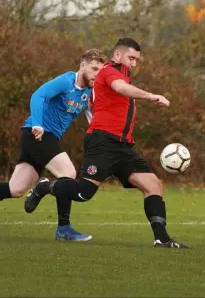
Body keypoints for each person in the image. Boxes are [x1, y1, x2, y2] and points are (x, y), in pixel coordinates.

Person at [24, 37, 189, 248]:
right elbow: (120, 88)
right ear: (117, 55)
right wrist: (151, 96)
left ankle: (162, 239)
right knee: (82, 193)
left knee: (153, 185)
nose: (134, 63)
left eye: (137, 59)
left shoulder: (120, 77)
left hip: (123, 145)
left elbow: (101, 102)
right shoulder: (110, 71)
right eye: (131, 58)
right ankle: (46, 187)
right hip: (103, 142)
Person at [0, 49, 108, 241]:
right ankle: (63, 228)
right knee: (68, 173)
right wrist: (38, 123)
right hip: (37, 135)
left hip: (46, 139)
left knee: (15, 189)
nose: (96, 74)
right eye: (94, 69)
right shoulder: (66, 81)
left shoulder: (90, 93)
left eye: (100, 71)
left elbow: (93, 118)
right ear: (82, 65)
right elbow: (38, 95)